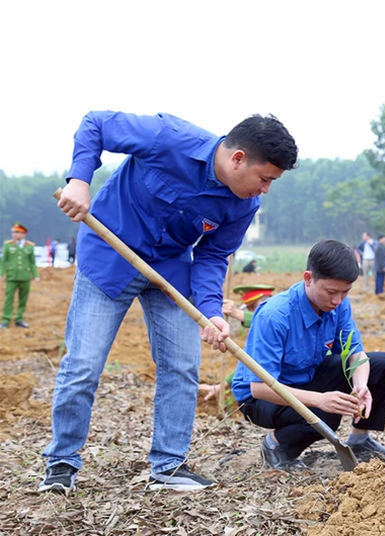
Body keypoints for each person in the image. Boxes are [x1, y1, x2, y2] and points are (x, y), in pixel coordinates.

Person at [40, 110, 298, 494]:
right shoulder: (168, 137)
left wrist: (211, 312)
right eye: (265, 179)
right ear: (238, 159)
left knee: (182, 366)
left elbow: (212, 257)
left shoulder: (244, 205)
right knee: (83, 365)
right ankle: (61, 464)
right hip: (109, 258)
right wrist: (79, 180)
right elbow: (96, 124)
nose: (265, 190)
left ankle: (168, 464)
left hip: (169, 274)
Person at [230, 240, 385, 468]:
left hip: (306, 378)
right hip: (262, 398)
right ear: (308, 278)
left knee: (382, 364)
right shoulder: (275, 315)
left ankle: (359, 440)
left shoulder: (338, 304)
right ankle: (277, 445)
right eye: (331, 292)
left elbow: (355, 352)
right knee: (326, 414)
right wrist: (321, 400)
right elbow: (260, 387)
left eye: (345, 292)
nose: (337, 300)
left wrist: (361, 384)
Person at [198, 284, 276, 401]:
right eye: (250, 310)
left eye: (253, 307)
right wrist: (221, 386)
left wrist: (239, 314)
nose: (255, 312)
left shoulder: (279, 319)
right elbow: (251, 363)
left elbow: (270, 319)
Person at [1, 222, 40, 329]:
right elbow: (3, 261)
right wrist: (1, 274)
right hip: (11, 277)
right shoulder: (8, 245)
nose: (14, 234)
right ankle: (5, 319)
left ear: (23, 234)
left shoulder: (29, 247)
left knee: (23, 298)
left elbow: (32, 262)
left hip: (25, 277)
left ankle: (19, 318)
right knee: (9, 298)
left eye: (17, 232)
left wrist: (35, 275)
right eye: (13, 232)